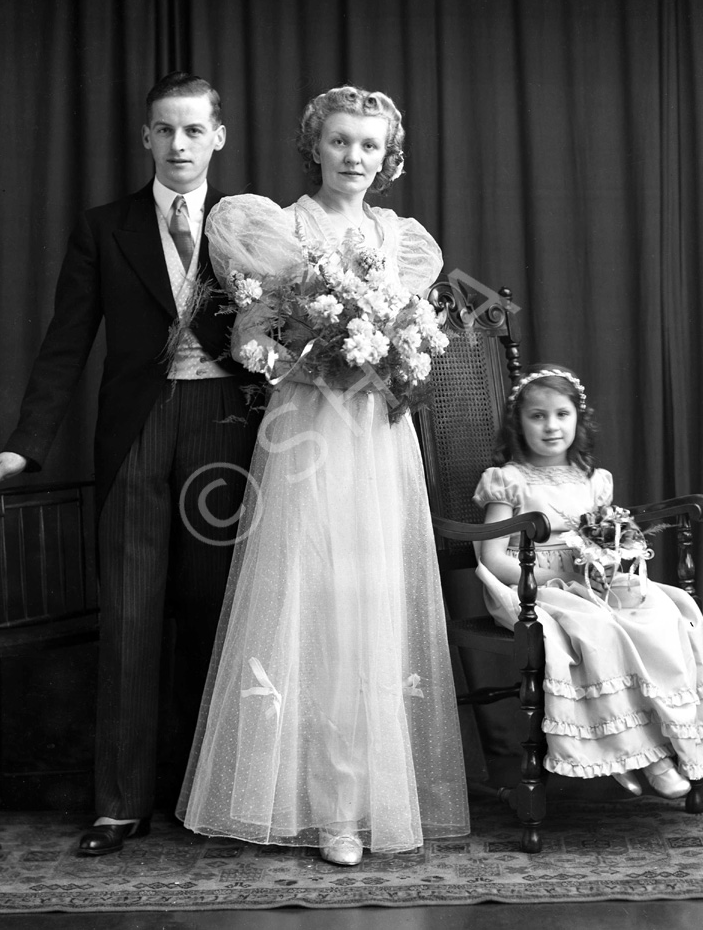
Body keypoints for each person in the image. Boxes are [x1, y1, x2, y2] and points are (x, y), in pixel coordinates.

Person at [0, 72, 259, 856]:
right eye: (164, 130)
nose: (178, 145)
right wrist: (25, 442)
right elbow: (67, 342)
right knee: (128, 615)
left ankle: (209, 795)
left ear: (217, 137)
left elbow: (282, 337)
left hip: (224, 430)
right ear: (145, 137)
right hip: (134, 429)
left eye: (193, 130)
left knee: (212, 613)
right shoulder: (105, 227)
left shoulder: (248, 225)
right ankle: (118, 805)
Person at [177, 85, 470, 866]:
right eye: (340, 141)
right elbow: (249, 342)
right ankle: (322, 807)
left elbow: (416, 337)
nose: (354, 157)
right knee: (312, 602)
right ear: (316, 144)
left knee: (370, 608)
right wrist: (309, 358)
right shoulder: (280, 228)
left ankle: (373, 801)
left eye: (368, 146)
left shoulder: (402, 239)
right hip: (308, 432)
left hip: (376, 439)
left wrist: (398, 351)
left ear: (387, 156)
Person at [473, 364, 703, 797]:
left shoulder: (593, 481)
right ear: (519, 423)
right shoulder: (509, 480)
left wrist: (611, 559)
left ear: (578, 419)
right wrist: (547, 580)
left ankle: (656, 746)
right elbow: (490, 554)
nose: (551, 426)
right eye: (537, 416)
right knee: (599, 629)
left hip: (587, 582)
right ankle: (622, 750)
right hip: (528, 588)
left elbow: (606, 538)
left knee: (666, 612)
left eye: (561, 414)